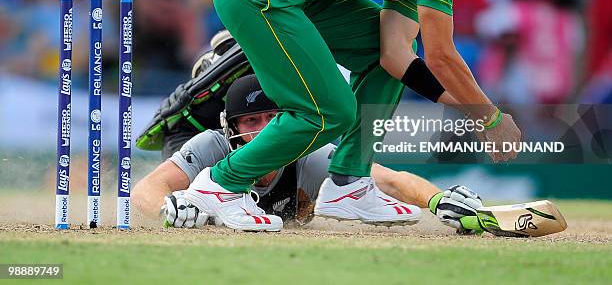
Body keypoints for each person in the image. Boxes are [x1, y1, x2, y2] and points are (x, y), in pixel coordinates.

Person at [171, 0, 521, 232]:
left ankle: (348, 183)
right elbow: (442, 55)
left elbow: (395, 56)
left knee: (376, 51)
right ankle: (220, 185)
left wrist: (471, 111)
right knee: (330, 110)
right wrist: (489, 118)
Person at [133, 74, 483, 232]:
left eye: (273, 118)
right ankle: (212, 63)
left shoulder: (309, 154)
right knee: (183, 186)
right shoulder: (212, 145)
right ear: (232, 127)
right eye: (251, 119)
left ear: (289, 121)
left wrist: (438, 200)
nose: (263, 128)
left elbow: (390, 182)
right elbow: (144, 191)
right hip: (193, 151)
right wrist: (170, 209)